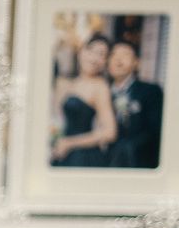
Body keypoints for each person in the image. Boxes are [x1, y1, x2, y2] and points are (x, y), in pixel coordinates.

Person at [51, 34, 117, 168]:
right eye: (90, 50)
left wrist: (70, 143)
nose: (94, 58)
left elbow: (110, 132)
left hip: (82, 156)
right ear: (81, 51)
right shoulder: (69, 82)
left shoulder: (100, 87)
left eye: (101, 54)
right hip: (62, 152)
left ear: (105, 62)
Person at [105, 40, 163, 169]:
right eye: (113, 55)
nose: (118, 59)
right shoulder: (103, 92)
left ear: (136, 63)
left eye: (125, 54)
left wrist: (126, 150)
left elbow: (155, 131)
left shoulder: (151, 91)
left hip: (138, 163)